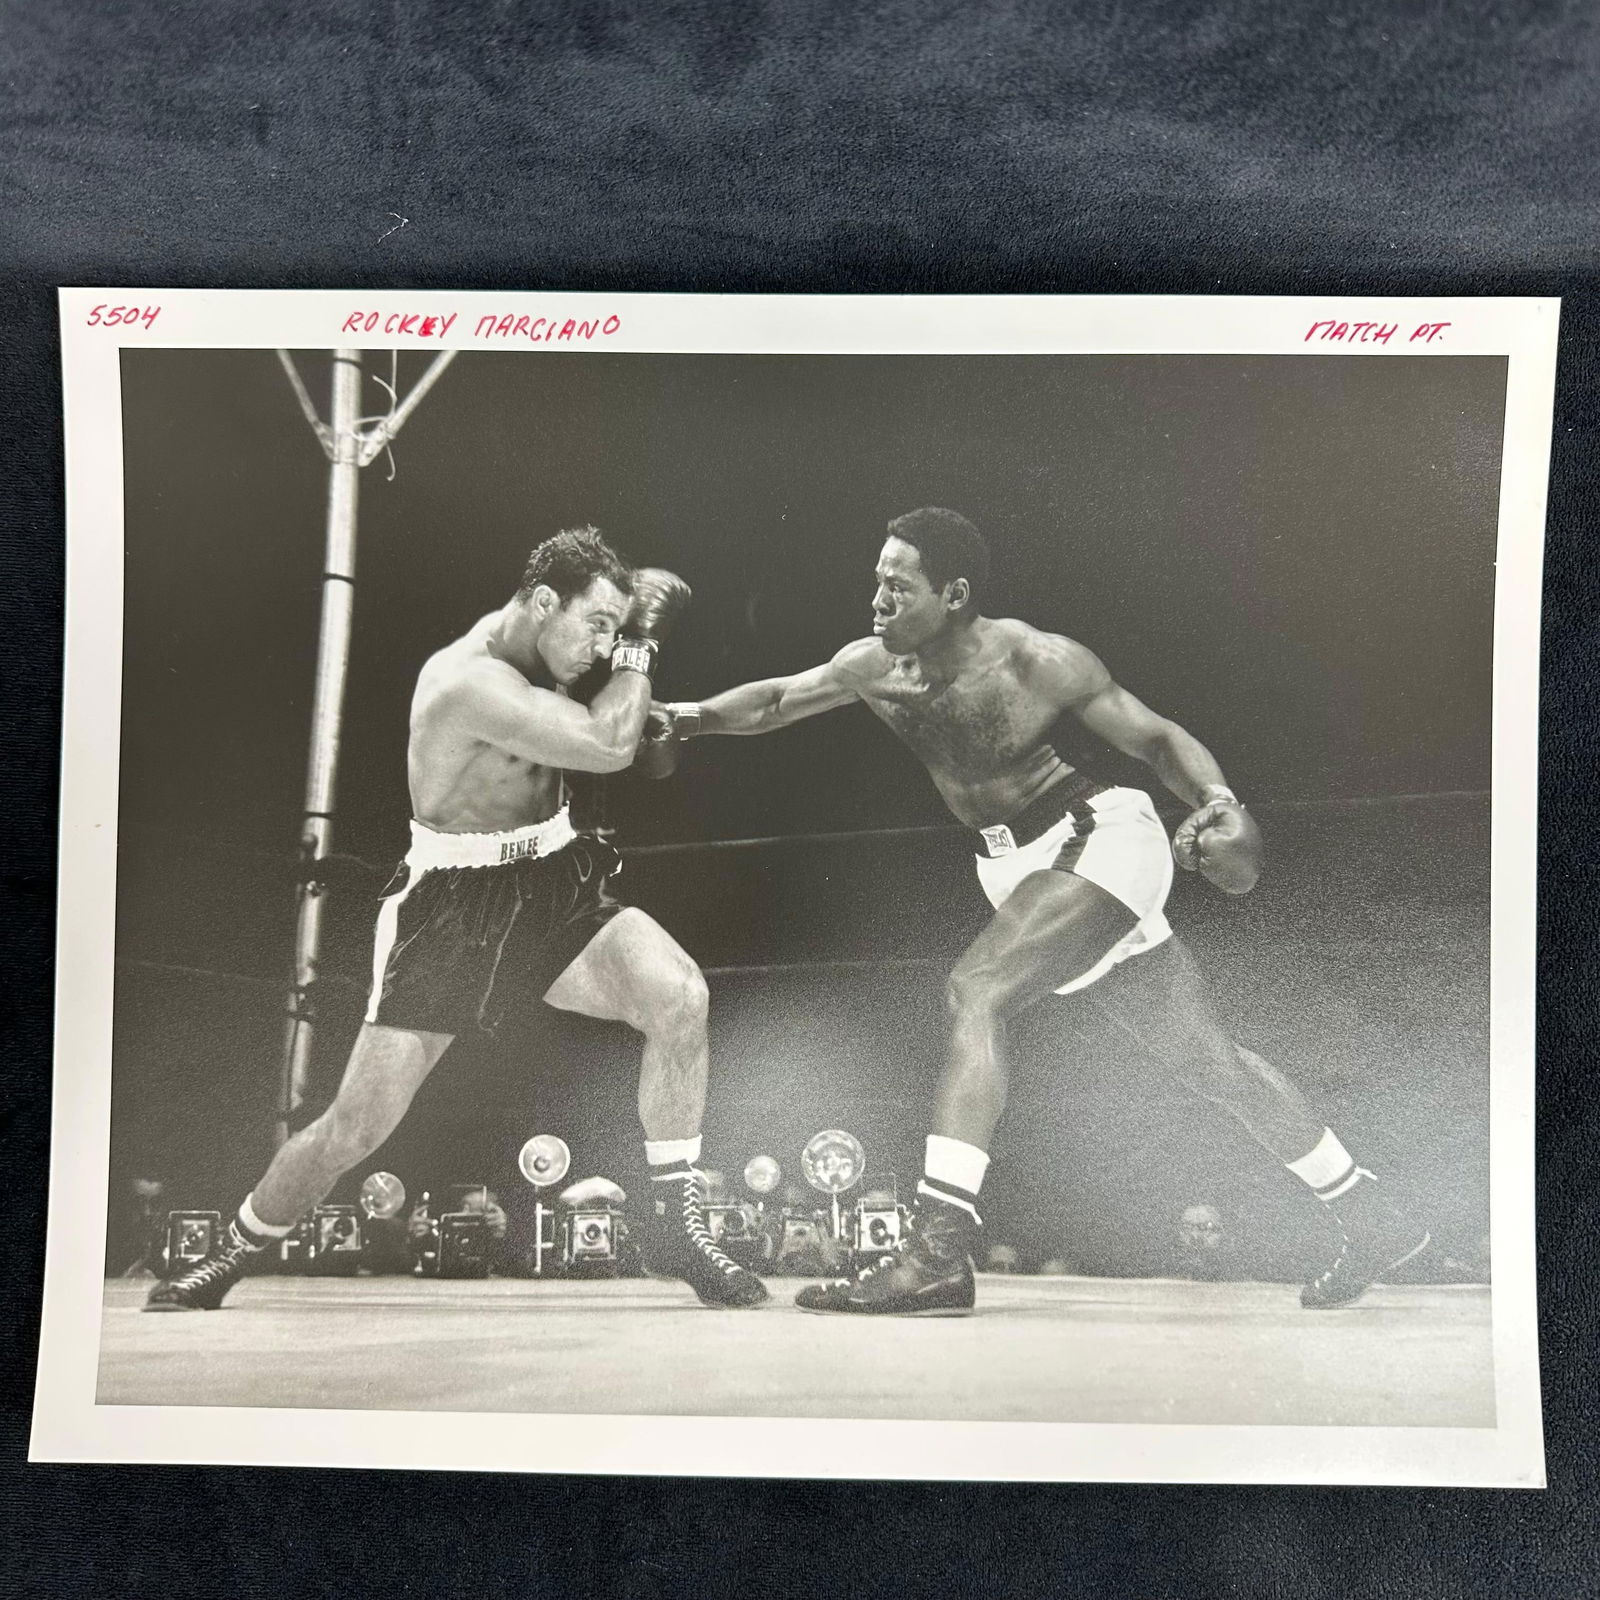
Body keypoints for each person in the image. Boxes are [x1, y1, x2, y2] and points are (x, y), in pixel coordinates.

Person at [646, 506, 1429, 1316]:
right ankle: (1368, 1210)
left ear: (953, 594)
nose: (877, 600)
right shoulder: (873, 667)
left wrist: (1220, 800)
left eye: (898, 585)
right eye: (877, 581)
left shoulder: (1037, 660)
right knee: (1208, 1062)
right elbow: (779, 699)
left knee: (976, 990)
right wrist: (691, 718)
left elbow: (1156, 738)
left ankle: (936, 1251)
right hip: (1016, 865)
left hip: (1098, 838)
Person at [147, 527, 767, 1312]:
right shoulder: (466, 681)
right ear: (544, 602)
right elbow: (609, 744)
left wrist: (641, 704)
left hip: (554, 876)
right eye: (596, 625)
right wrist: (641, 645)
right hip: (454, 908)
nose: (603, 646)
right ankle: (233, 1251)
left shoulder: (547, 658)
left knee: (679, 996)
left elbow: (620, 737)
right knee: (355, 1127)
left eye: (615, 628)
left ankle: (677, 1221)